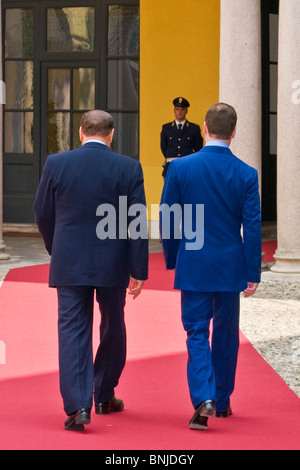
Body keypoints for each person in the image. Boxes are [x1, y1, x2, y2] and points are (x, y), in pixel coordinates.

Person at [34, 110, 148, 431]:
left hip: (69, 260)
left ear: (81, 133)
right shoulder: (129, 167)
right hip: (113, 262)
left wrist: (56, 248)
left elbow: (42, 213)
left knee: (72, 330)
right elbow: (136, 223)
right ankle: (104, 392)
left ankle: (78, 407)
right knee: (113, 325)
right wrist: (138, 268)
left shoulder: (56, 164)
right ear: (110, 135)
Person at [160, 103, 261, 430]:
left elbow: (168, 218)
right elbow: (253, 226)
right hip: (230, 264)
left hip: (194, 262)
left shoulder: (181, 168)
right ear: (234, 132)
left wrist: (174, 258)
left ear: (203, 127)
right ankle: (222, 399)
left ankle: (203, 396)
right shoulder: (247, 174)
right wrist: (253, 272)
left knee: (196, 331)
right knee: (227, 334)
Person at [160, 97, 203, 177]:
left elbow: (198, 148)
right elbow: (163, 147)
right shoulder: (166, 128)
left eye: (182, 109)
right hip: (171, 167)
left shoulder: (194, 128)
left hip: (188, 167)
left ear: (186, 111)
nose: (179, 112)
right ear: (174, 110)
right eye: (177, 109)